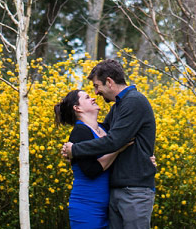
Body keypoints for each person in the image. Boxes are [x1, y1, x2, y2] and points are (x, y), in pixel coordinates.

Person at [61, 59, 156, 229]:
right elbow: (104, 136)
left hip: (134, 190)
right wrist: (75, 154)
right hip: (116, 190)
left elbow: (114, 141)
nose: (96, 93)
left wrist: (75, 150)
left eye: (97, 86)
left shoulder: (134, 101)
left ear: (110, 82)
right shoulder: (118, 107)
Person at [54, 89, 129, 229]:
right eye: (87, 97)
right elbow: (91, 170)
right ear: (77, 108)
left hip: (108, 206)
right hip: (86, 207)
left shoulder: (104, 128)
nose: (93, 98)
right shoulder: (80, 132)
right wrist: (117, 149)